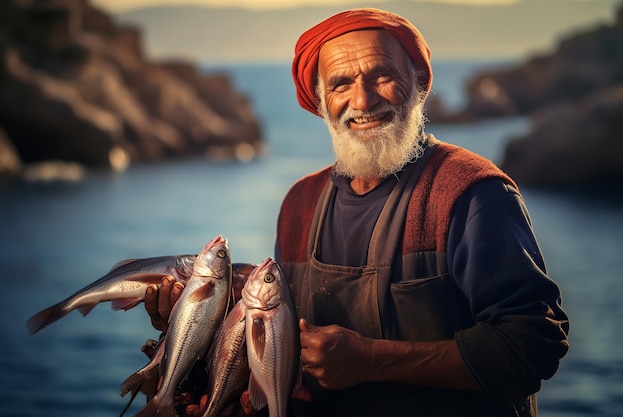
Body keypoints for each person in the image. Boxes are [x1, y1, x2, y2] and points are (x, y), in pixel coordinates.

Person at [144, 8, 569, 417]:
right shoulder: (299, 203)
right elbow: (279, 347)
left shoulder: (470, 193)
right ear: (321, 100)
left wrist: (370, 360)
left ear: (419, 83)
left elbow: (531, 347)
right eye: (340, 84)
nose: (361, 101)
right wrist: (197, 321)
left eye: (382, 76)